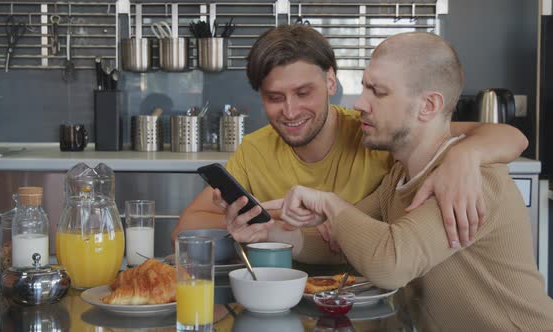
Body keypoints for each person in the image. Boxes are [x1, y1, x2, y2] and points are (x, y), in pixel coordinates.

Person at [257, 32, 553, 330]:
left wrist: (328, 202)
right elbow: (341, 240)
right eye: (364, 88)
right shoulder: (399, 177)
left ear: (428, 106)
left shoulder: (473, 181)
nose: (360, 103)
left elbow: (391, 263)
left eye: (378, 92)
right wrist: (267, 231)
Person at [172, 24, 527, 252]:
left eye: (303, 92)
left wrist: (464, 156)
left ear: (331, 82)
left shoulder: (377, 135)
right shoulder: (256, 148)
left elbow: (508, 136)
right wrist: (257, 221)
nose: (291, 111)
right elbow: (186, 227)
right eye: (274, 98)